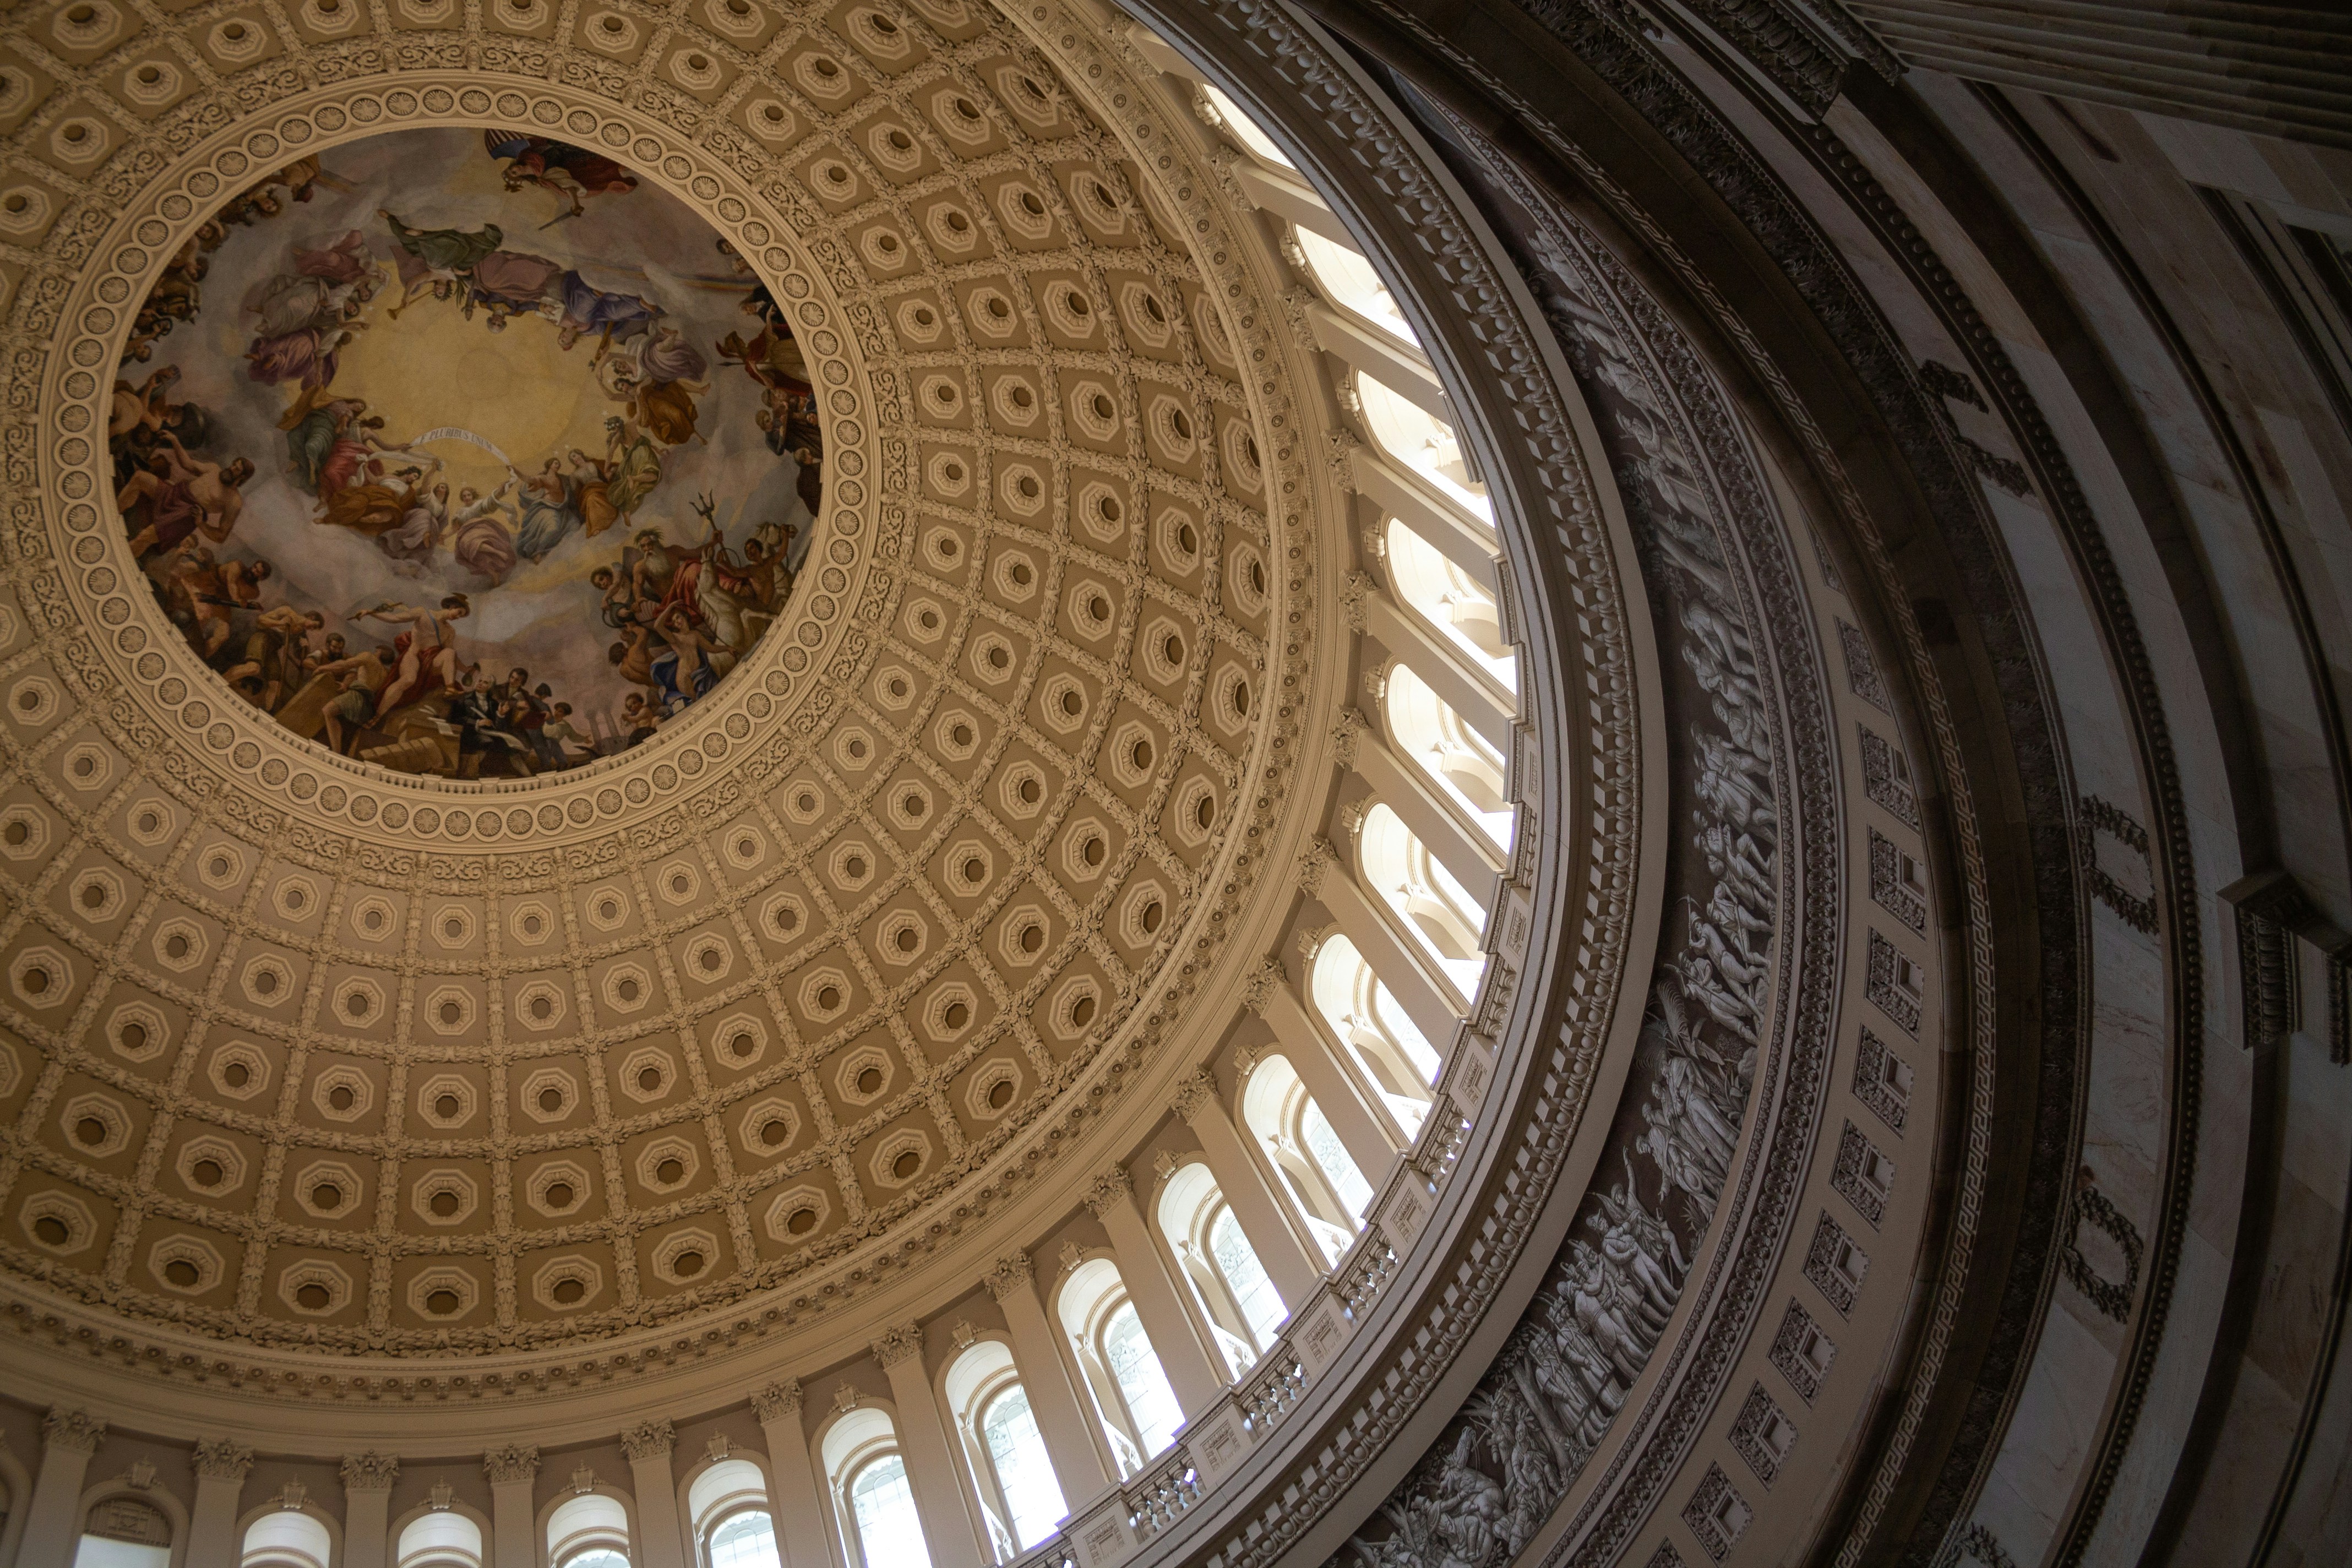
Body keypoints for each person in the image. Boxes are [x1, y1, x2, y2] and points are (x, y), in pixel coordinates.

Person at [119, 437, 253, 559]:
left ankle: (122, 559)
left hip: (184, 516)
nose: (231, 468)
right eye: (233, 464)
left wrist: (201, 523)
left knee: (145, 537)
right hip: (174, 494)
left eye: (237, 469)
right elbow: (187, 464)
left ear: (242, 478)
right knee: (140, 478)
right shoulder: (214, 469)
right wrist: (174, 440)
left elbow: (221, 536)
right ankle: (113, 512)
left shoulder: (234, 501)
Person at [358, 595, 470, 717]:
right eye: (459, 612)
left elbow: (451, 657)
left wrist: (466, 670)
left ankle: (450, 689)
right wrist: (370, 613)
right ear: (452, 606)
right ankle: (378, 715)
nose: (458, 617)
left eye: (461, 616)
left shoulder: (449, 631)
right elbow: (395, 618)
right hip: (414, 656)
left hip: (431, 663)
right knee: (408, 679)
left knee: (450, 652)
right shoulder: (423, 613)